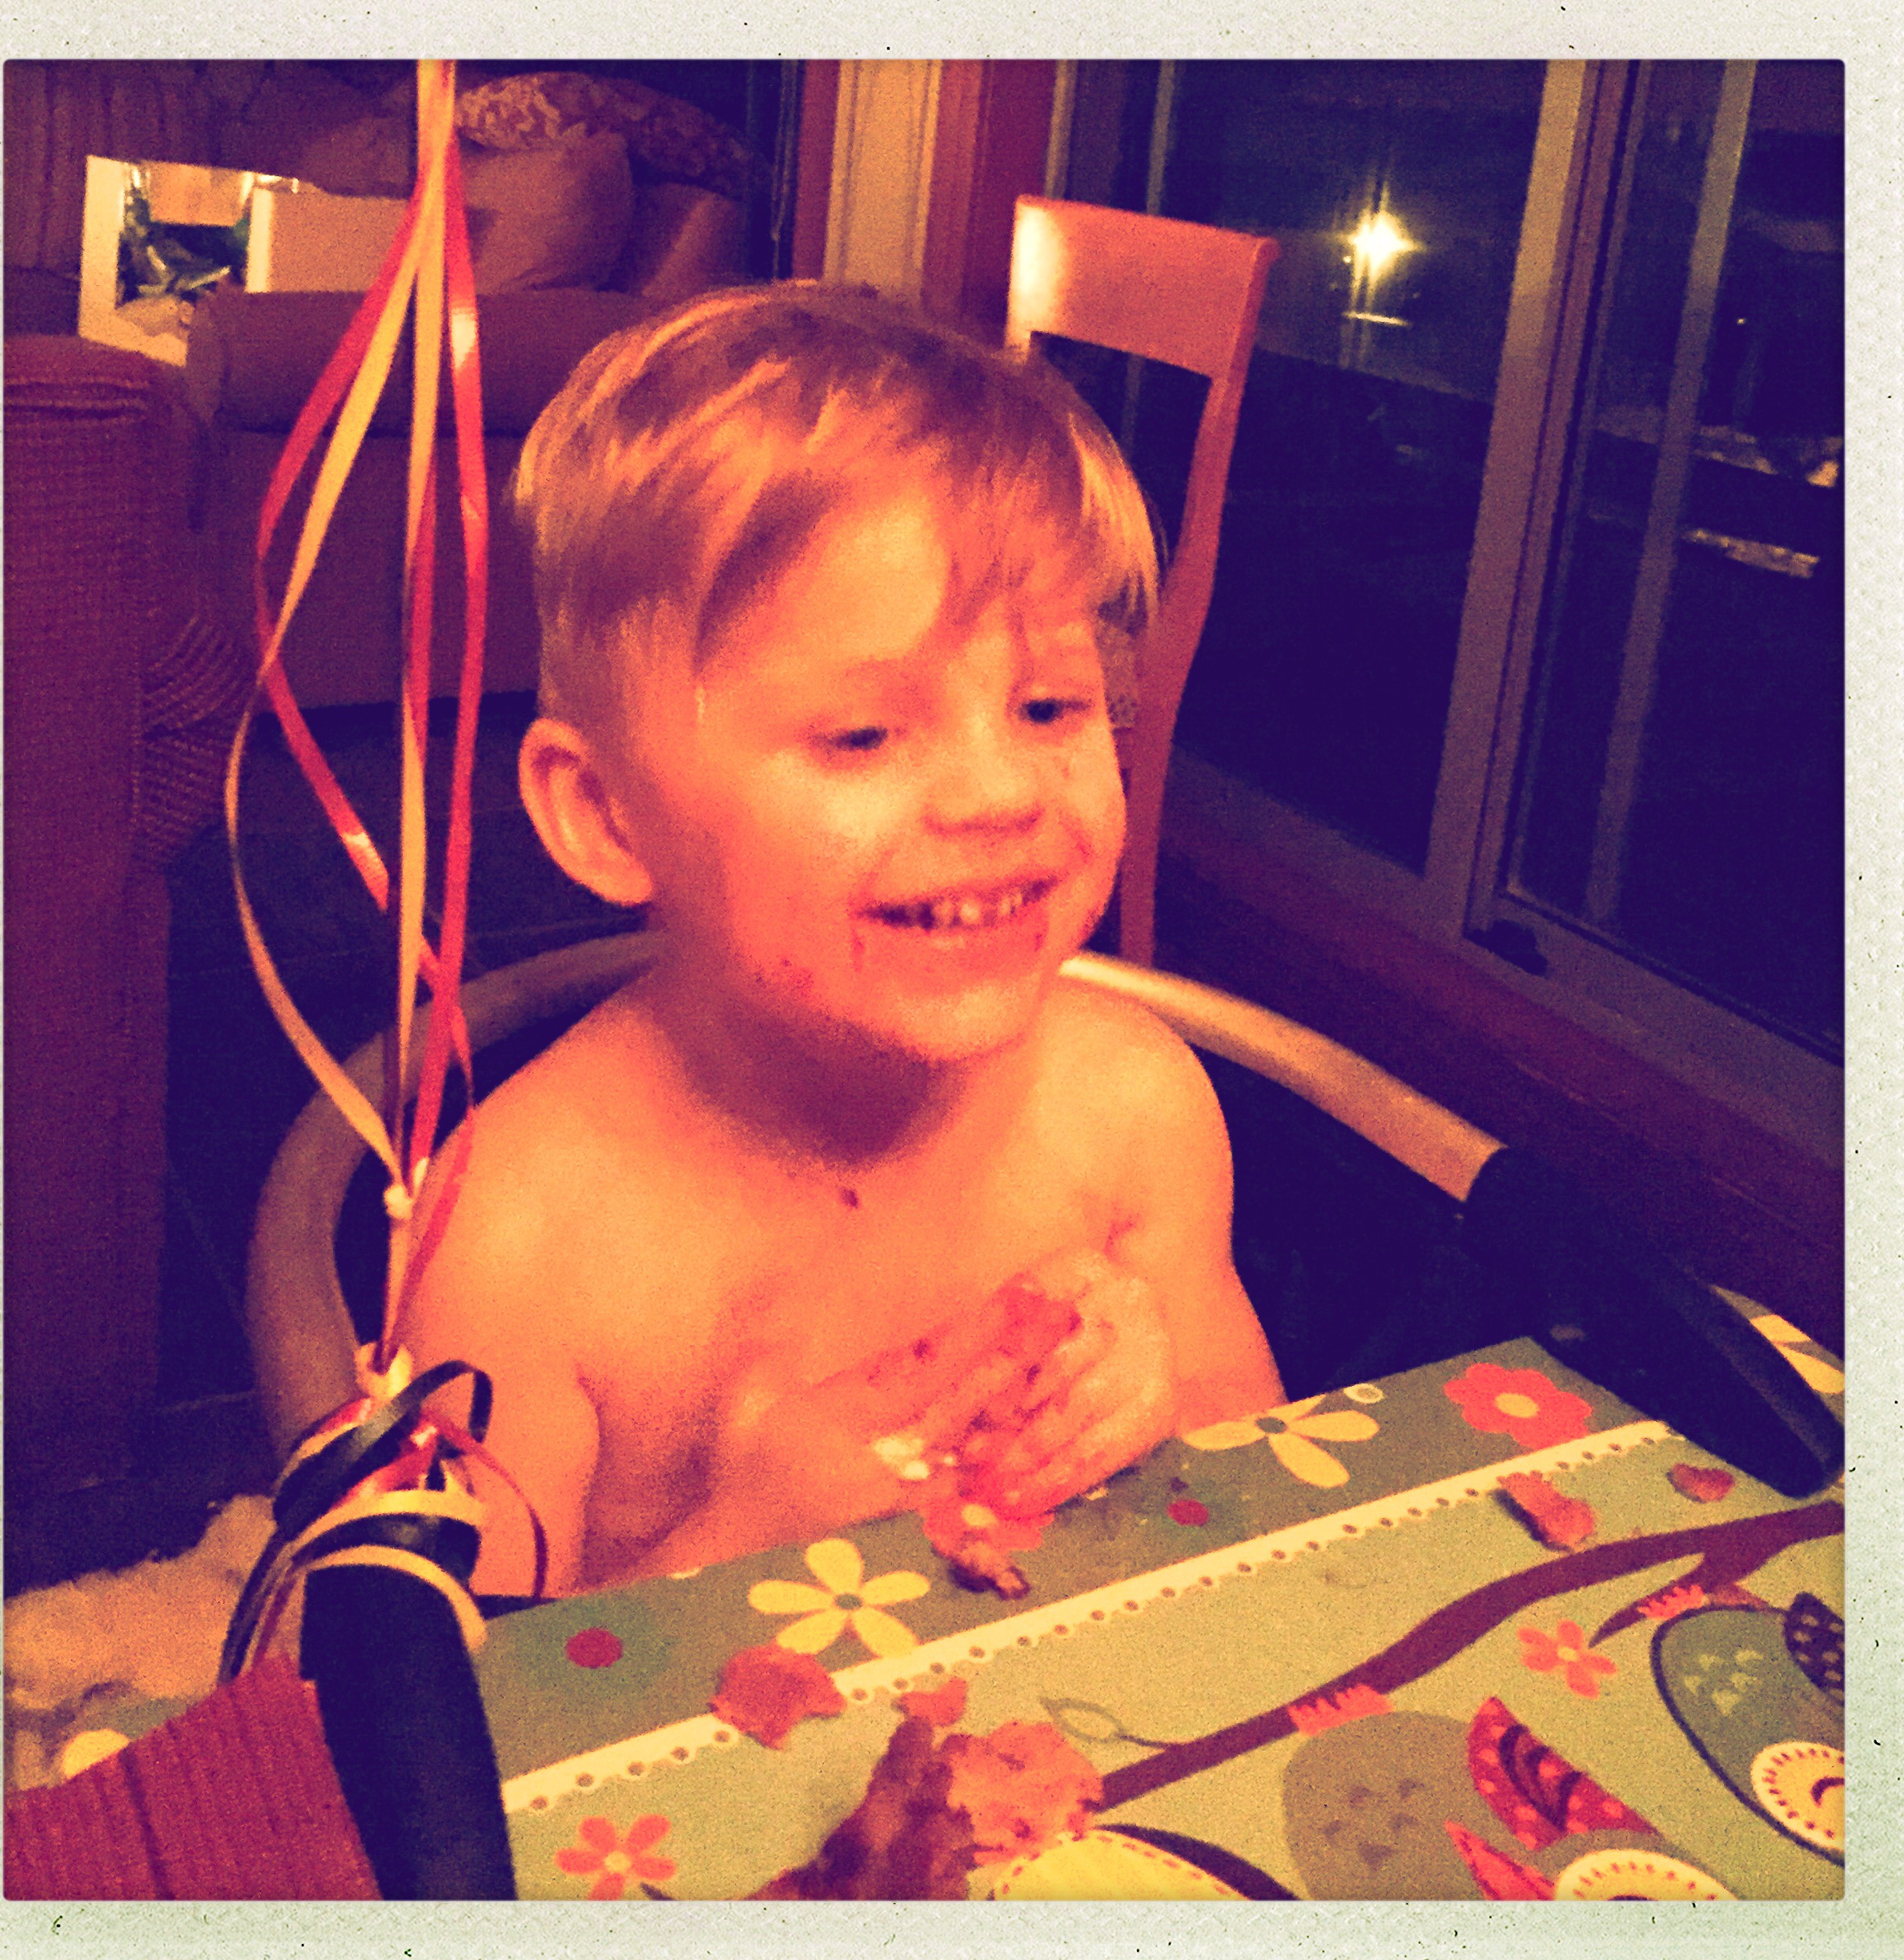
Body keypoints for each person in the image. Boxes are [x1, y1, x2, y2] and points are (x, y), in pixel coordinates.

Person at [399, 284, 1284, 1597]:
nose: (1000, 792)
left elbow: (1271, 1488)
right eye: (864, 734)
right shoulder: (517, 1238)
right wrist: (742, 1536)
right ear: (608, 816)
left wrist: (1160, 1399)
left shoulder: (1133, 1108)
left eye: (1050, 707)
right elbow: (477, 1695)